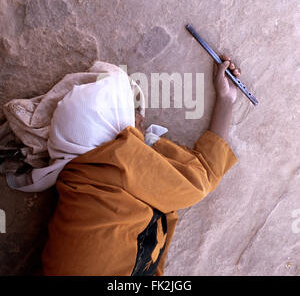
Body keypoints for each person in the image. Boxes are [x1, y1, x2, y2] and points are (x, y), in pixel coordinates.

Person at [41, 56, 240, 276]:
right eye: (131, 112)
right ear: (113, 129)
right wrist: (226, 100)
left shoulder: (81, 175)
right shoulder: (120, 160)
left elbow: (197, 181)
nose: (140, 119)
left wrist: (226, 99)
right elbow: (200, 180)